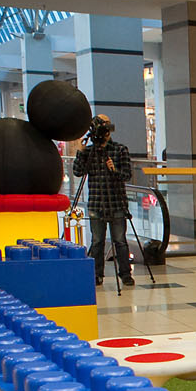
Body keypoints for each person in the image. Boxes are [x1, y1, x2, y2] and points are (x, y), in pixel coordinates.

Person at [73, 114, 135, 286]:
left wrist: (114, 170)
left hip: (117, 203)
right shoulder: (89, 151)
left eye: (106, 125)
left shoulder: (120, 149)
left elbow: (127, 175)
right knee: (97, 241)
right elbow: (78, 172)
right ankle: (96, 274)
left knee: (120, 241)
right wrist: (80, 152)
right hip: (96, 203)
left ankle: (125, 274)